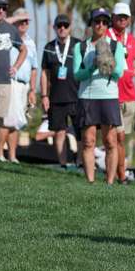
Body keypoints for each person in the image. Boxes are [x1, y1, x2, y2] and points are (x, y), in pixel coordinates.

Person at [72, 8, 126, 184]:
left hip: (108, 96)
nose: (100, 25)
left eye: (104, 22)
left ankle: (109, 183)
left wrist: (105, 61)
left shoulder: (116, 45)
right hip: (87, 96)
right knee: (88, 141)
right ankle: (90, 181)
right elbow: (77, 75)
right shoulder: (80, 47)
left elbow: (119, 72)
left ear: (108, 24)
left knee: (111, 140)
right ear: (92, 24)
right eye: (97, 21)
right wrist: (92, 66)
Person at [108, 2, 135, 183]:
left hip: (130, 96)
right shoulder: (107, 37)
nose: (122, 19)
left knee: (122, 138)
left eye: (125, 17)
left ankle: (119, 174)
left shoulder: (131, 40)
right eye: (119, 16)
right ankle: (120, 175)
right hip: (111, 94)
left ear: (129, 20)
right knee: (118, 137)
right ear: (113, 18)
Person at [40, 14, 81, 168]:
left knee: (81, 131)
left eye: (65, 25)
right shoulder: (49, 47)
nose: (62, 28)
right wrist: (44, 95)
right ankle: (63, 164)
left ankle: (80, 163)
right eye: (59, 26)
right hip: (56, 98)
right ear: (55, 28)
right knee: (59, 131)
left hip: (77, 96)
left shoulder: (78, 45)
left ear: (70, 27)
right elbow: (44, 72)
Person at [0, 0, 28, 162]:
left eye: (3, 8)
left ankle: (0, 154)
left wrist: (15, 67)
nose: (1, 11)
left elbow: (23, 50)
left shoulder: (10, 30)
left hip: (4, 81)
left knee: (2, 119)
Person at [4, 9, 38, 162]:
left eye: (27, 21)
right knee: (5, 120)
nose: (25, 23)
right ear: (15, 21)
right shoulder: (6, 36)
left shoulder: (31, 42)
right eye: (21, 20)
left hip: (23, 86)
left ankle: (12, 155)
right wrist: (16, 17)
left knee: (17, 122)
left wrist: (32, 89)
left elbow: (34, 68)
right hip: (9, 82)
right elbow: (2, 23)